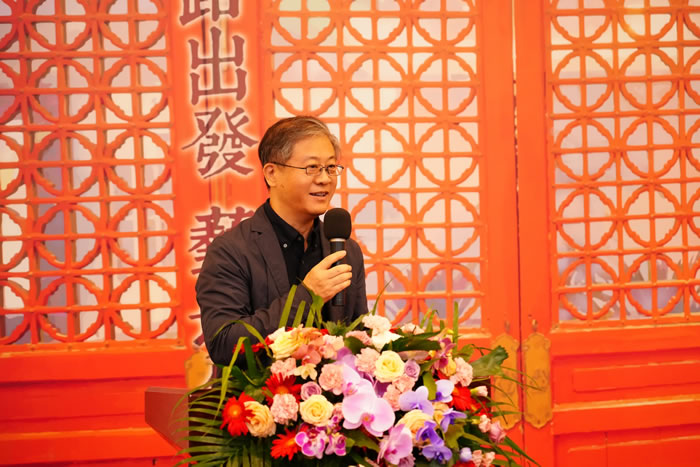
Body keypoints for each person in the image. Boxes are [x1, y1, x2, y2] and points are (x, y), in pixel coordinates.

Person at [196, 116, 369, 366]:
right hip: (265, 390)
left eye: (331, 167)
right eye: (312, 167)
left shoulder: (345, 249)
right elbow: (224, 343)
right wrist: (308, 296)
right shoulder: (231, 251)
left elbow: (358, 336)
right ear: (272, 174)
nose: (325, 178)